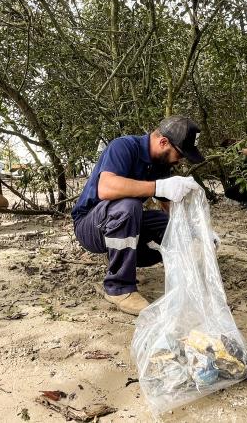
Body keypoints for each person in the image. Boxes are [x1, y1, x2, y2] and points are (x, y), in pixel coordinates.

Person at [72, 115, 205, 316]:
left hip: (122, 221)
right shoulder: (123, 147)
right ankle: (119, 288)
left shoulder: (161, 165)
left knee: (170, 226)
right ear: (163, 142)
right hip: (90, 225)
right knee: (129, 205)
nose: (180, 161)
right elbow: (106, 188)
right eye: (180, 154)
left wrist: (197, 231)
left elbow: (169, 205)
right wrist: (157, 186)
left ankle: (183, 278)